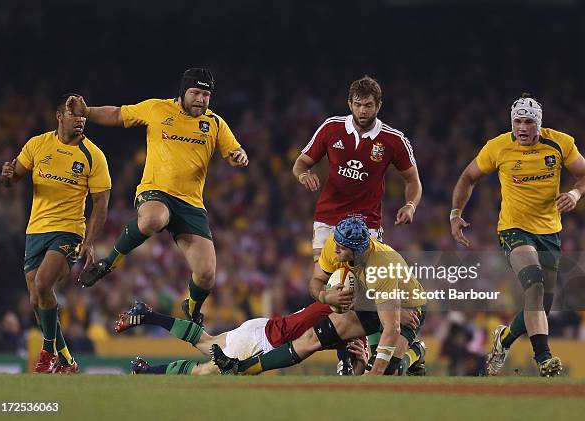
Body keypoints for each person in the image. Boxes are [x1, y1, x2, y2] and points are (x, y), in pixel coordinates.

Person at [66, 68, 249, 326]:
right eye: (195, 92)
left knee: (206, 273)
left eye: (206, 94)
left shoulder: (215, 123)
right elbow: (119, 114)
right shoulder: (157, 109)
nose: (200, 99)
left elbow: (234, 150)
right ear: (183, 92)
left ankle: (193, 309)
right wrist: (87, 112)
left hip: (191, 204)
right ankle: (108, 263)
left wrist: (239, 156)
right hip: (156, 192)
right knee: (154, 218)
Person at [450, 94, 585, 377]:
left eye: (529, 121)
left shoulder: (561, 143)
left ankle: (503, 340)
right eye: (518, 121)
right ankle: (544, 358)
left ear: (539, 124)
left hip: (550, 232)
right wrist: (456, 213)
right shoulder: (498, 147)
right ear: (512, 123)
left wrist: (576, 193)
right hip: (513, 229)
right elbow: (468, 177)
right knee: (535, 284)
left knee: (542, 302)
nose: (523, 127)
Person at [292, 75, 422, 371]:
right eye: (358, 105)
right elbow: (300, 164)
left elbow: (412, 179)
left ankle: (366, 354)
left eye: (369, 105)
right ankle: (350, 357)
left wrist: (411, 204)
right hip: (329, 219)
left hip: (367, 224)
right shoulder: (331, 128)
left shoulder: (393, 139)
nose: (363, 111)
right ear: (349, 104)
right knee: (332, 286)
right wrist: (304, 175)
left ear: (379, 106)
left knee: (366, 288)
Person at [211, 217, 427, 376]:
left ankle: (416, 351)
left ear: (358, 250)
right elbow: (315, 282)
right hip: (370, 302)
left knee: (391, 370)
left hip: (408, 309)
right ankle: (241, 368)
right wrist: (325, 297)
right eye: (337, 245)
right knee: (311, 338)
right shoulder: (335, 243)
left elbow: (392, 327)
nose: (335, 252)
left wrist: (374, 376)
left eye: (342, 249)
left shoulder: (383, 265)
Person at [0, 93, 111, 373]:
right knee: (37, 301)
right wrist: (6, 175)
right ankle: (67, 361)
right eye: (74, 115)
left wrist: (89, 242)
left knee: (42, 284)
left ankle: (47, 353)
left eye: (84, 116)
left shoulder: (93, 155)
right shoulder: (38, 145)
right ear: (60, 116)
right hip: (35, 230)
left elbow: (101, 204)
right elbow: (13, 179)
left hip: (69, 231)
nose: (80, 120)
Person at [115, 301, 369, 375]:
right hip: (263, 344)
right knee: (207, 371)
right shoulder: (348, 324)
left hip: (261, 326)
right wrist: (360, 363)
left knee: (205, 342)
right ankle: (147, 372)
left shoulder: (336, 300)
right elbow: (347, 374)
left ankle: (149, 315)